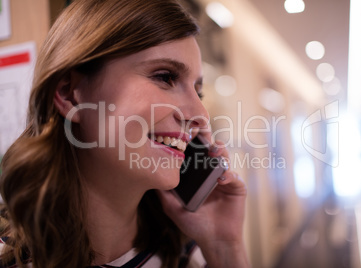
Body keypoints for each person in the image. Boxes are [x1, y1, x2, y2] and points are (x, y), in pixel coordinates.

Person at [0, 0, 249, 267]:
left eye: (198, 92)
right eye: (165, 77)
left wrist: (224, 246)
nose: (201, 115)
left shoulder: (187, 253)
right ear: (70, 95)